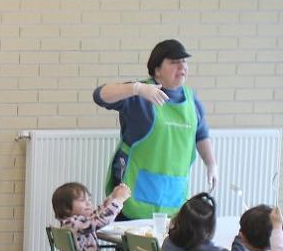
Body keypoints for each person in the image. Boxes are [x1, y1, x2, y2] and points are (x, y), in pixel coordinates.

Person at [93, 39, 217, 219]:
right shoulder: (140, 95)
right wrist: (136, 88)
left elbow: (201, 134)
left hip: (173, 195)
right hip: (134, 195)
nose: (182, 66)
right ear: (157, 70)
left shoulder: (192, 100)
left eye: (184, 61)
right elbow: (100, 95)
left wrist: (211, 164)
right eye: (174, 62)